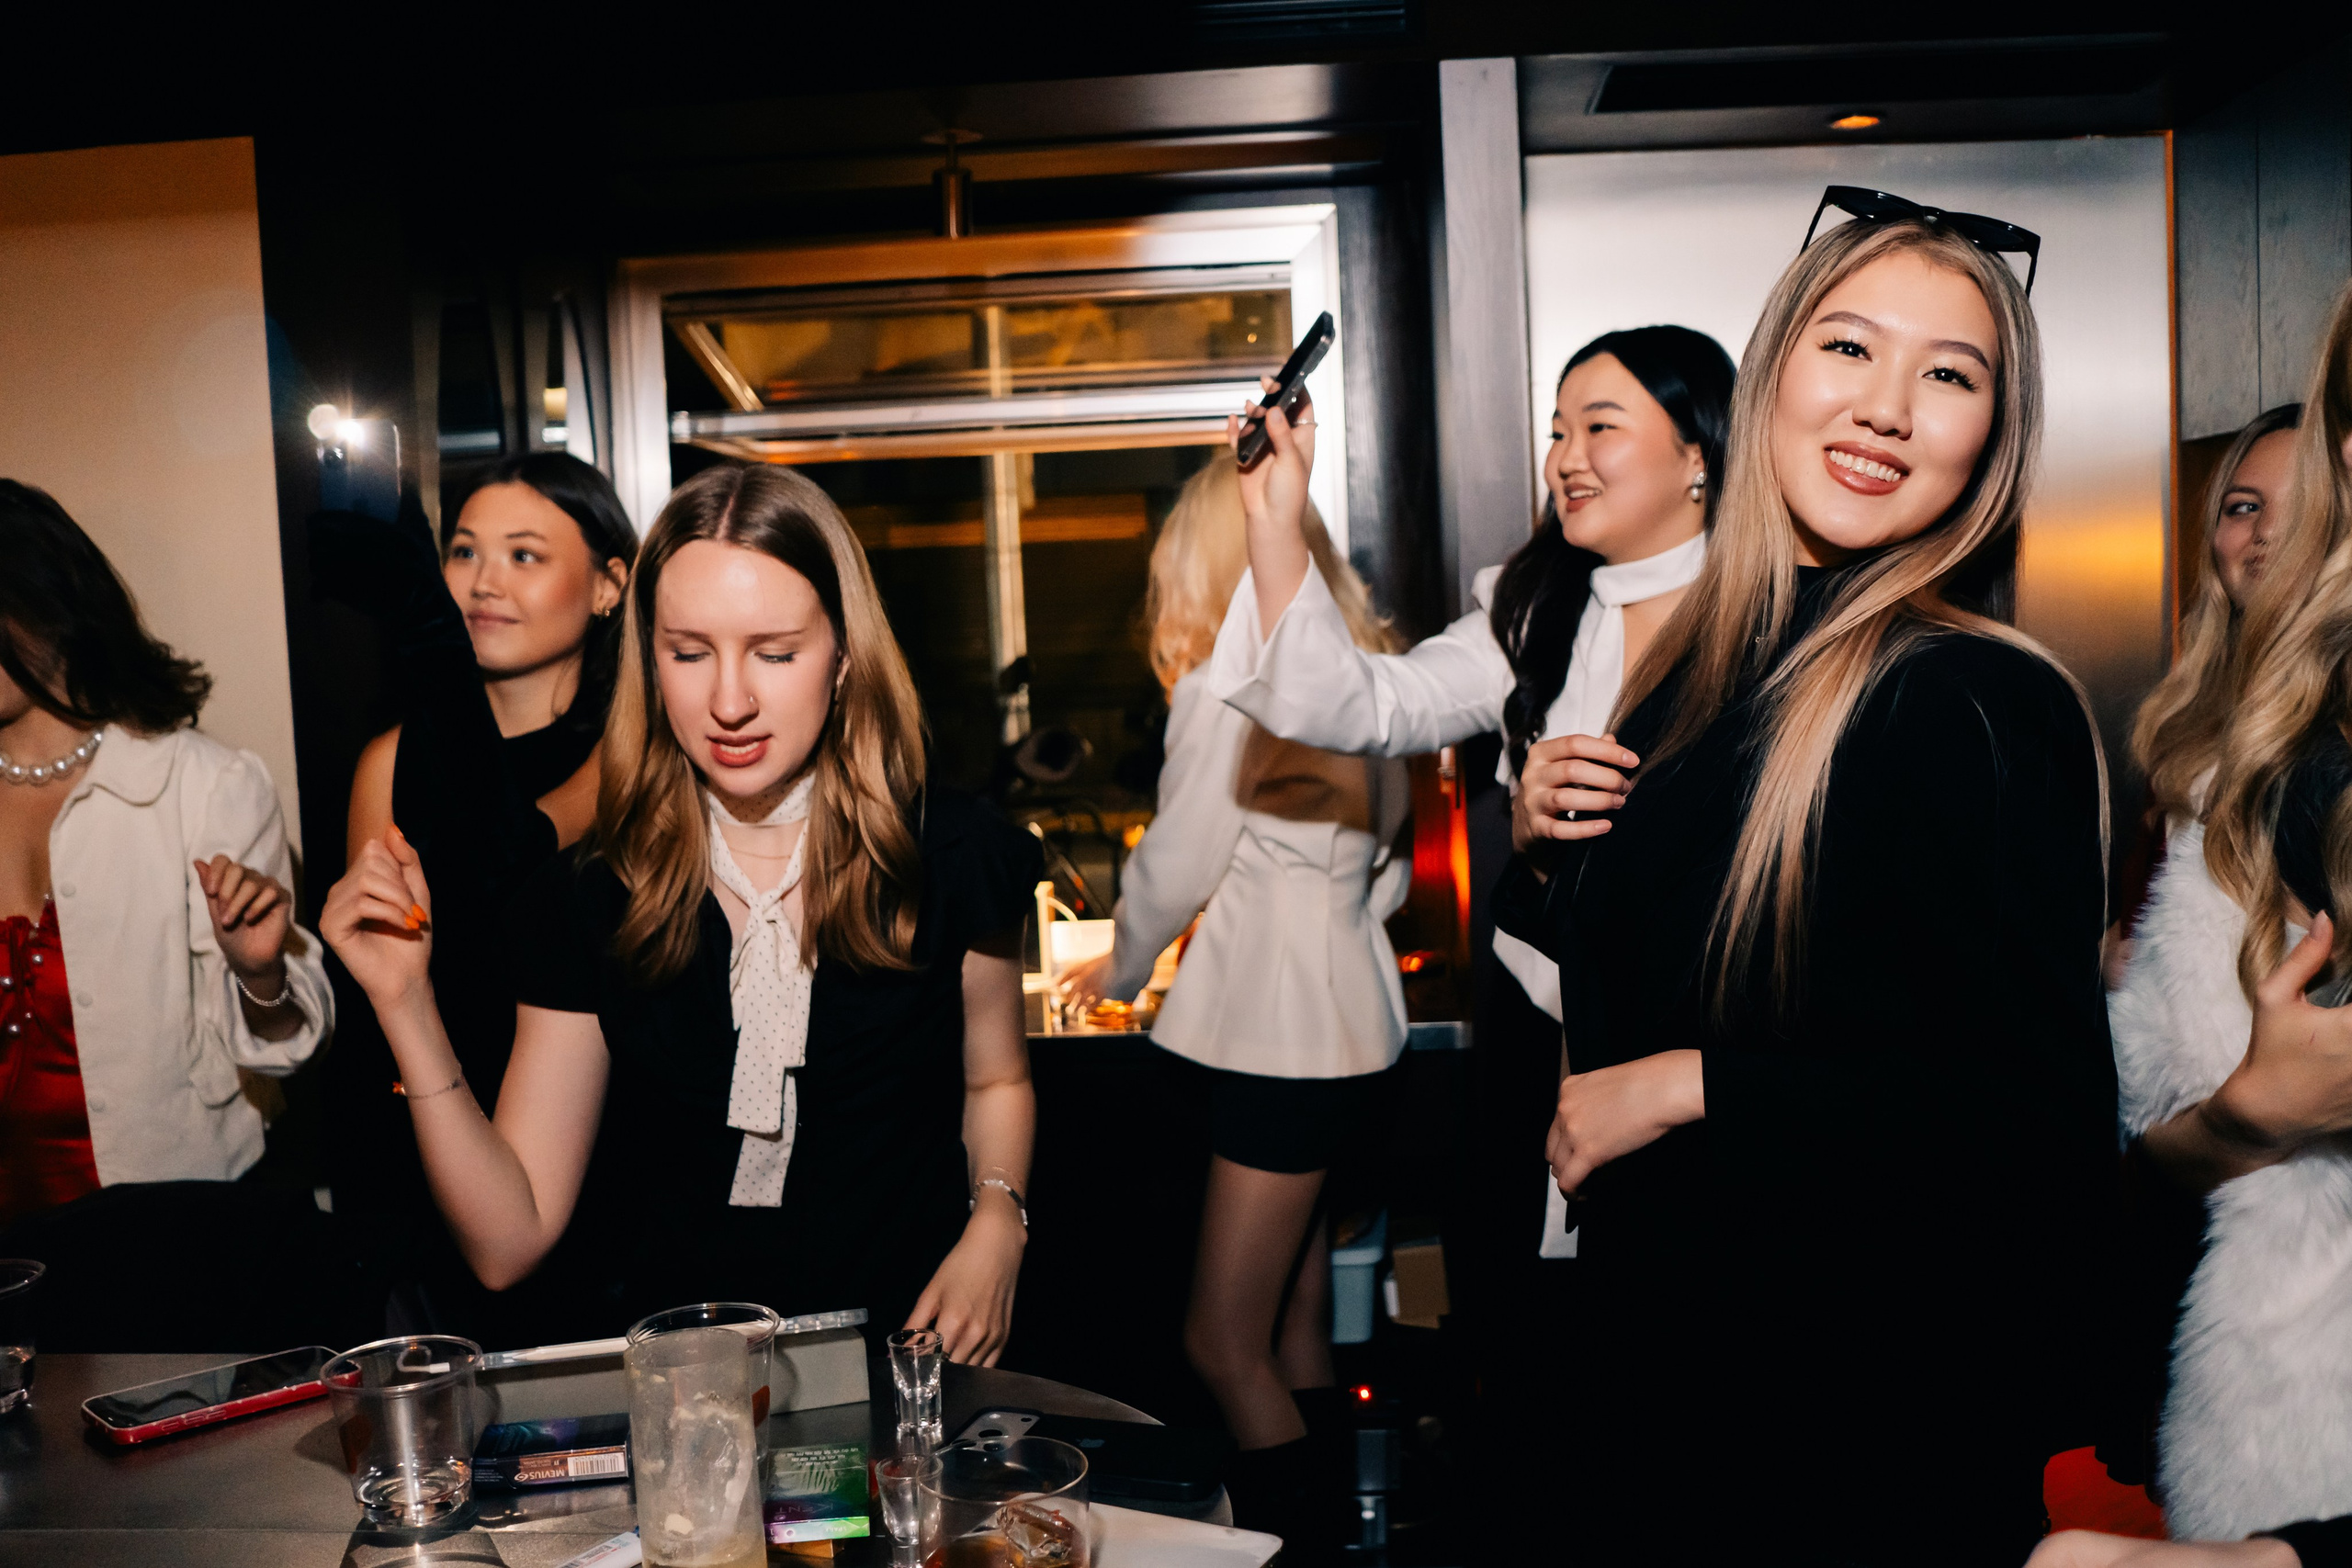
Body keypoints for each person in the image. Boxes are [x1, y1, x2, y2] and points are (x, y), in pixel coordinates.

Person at [1489, 194, 2113, 1563]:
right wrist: (1540, 847)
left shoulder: (1970, 697)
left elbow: (2033, 1126)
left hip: (1849, 1424)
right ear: (1771, 377)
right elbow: (1650, 956)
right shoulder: (1709, 666)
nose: (1888, 407)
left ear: (1991, 438)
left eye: (1950, 375)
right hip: (1676, 1375)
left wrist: (1690, 1081)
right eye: (1849, 349)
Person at [324, 463, 1040, 1357]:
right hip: (688, 1402)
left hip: (916, 1364)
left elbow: (996, 1080)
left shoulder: (954, 857)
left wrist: (999, 1221)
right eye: (689, 652)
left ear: (844, 653)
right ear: (648, 656)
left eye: (774, 653)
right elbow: (509, 1242)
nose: (729, 701)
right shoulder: (589, 896)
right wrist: (406, 1006)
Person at [1204, 327, 1735, 1479]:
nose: (1566, 457)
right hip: (1531, 1037)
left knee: (1680, 1369)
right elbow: (1350, 704)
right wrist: (1273, 513)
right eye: (1556, 431)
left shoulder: (1768, 622)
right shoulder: (1533, 606)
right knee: (1529, 1352)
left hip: (1692, 1055)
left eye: (1601, 427)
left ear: (1700, 456)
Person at [1060, 457, 1409, 1538]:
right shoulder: (1358, 671)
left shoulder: (1232, 678)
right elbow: (1388, 868)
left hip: (1273, 1039)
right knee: (1298, 1322)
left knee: (1218, 1342)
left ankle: (1290, 1549)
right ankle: (1350, 1530)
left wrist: (1113, 971)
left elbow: (1178, 860)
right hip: (1352, 1028)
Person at [2111, 283, 2352, 1541]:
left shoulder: (2321, 767)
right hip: (2201, 1279)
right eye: (2240, 507)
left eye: (2294, 505)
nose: (2261, 537)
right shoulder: (2188, 746)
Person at [0, 480, 338, 1346]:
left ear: (48, 603)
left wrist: (260, 969)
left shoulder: (204, 783)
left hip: (164, 1242)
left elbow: (289, 1044)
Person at [318, 453, 634, 1337]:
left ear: (610, 586)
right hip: (422, 1158)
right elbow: (383, 983)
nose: (484, 581)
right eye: (461, 552)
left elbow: (505, 856)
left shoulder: (635, 758)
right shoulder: (388, 760)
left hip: (580, 1166)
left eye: (524, 555)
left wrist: (423, 624)